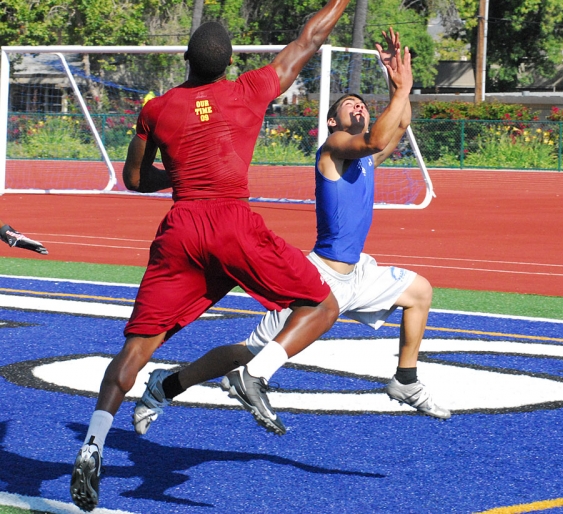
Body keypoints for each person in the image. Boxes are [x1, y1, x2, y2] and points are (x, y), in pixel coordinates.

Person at [70, 1, 352, 510]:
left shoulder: (156, 109)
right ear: (229, 64)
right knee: (322, 305)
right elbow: (308, 40)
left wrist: (177, 178)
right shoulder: (249, 90)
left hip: (181, 230)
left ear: (186, 59)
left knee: (135, 350)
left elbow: (134, 180)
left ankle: (92, 445)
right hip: (232, 225)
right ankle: (254, 373)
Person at [132, 28, 449, 442]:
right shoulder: (334, 147)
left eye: (361, 104)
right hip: (321, 278)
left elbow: (394, 127)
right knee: (248, 352)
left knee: (420, 292)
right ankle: (167, 385)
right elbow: (377, 137)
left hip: (358, 274)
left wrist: (398, 88)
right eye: (346, 105)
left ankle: (405, 379)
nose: (356, 106)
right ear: (333, 122)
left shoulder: (370, 156)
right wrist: (399, 92)